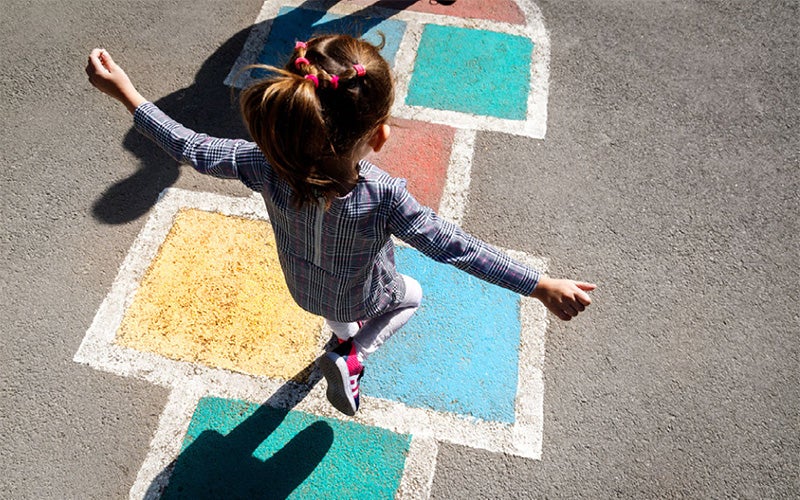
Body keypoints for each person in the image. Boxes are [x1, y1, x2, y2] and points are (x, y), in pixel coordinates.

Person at [85, 35, 595, 417]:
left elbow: (189, 147)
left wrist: (127, 92)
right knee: (412, 293)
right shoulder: (383, 197)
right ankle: (353, 355)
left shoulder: (264, 162)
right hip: (361, 296)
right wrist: (539, 284)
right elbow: (456, 247)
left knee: (339, 315)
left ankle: (343, 345)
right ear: (379, 135)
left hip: (304, 290)